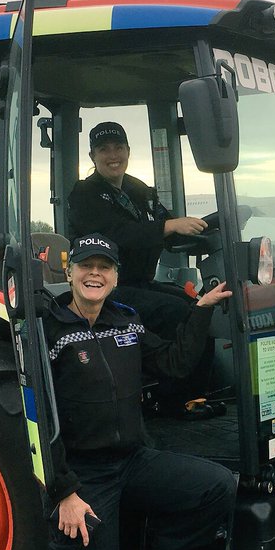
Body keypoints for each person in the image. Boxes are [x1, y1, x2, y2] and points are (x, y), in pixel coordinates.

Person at [41, 233, 237, 550]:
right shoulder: (46, 331)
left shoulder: (125, 323)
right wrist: (64, 491)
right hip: (83, 479)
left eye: (104, 267)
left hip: (133, 459)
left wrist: (201, 312)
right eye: (86, 265)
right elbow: (36, 420)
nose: (95, 274)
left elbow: (172, 363)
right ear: (70, 271)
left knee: (216, 487)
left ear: (114, 276)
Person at [69, 122, 218, 416]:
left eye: (118, 148)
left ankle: (196, 395)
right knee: (176, 313)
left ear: (128, 151)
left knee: (199, 308)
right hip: (107, 289)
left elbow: (165, 223)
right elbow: (120, 233)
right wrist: (169, 226)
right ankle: (172, 399)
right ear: (92, 156)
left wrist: (201, 228)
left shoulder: (139, 190)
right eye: (104, 149)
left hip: (140, 283)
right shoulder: (84, 195)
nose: (113, 155)